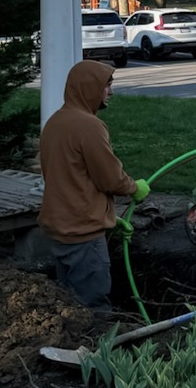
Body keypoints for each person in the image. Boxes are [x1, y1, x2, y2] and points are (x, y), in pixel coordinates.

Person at [38, 60, 150, 308]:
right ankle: (98, 346)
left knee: (68, 301)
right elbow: (109, 178)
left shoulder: (55, 122)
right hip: (82, 233)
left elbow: (68, 178)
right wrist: (134, 188)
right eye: (106, 85)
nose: (110, 91)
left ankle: (71, 343)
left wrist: (107, 216)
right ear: (89, 87)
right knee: (93, 303)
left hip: (60, 228)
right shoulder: (89, 126)